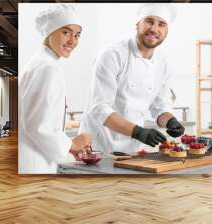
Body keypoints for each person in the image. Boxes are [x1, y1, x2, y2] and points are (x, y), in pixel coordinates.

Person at [79, 3, 184, 155]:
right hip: (98, 147)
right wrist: (139, 132)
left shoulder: (163, 64)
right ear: (137, 24)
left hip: (132, 149)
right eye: (149, 21)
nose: (154, 29)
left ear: (166, 32)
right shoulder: (112, 55)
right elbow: (99, 108)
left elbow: (160, 106)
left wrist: (170, 121)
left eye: (161, 24)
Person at [19, 4, 91, 174]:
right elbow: (37, 125)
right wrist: (72, 143)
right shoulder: (47, 68)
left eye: (77, 35)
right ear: (49, 32)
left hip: (35, 160)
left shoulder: (39, 62)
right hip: (35, 165)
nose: (73, 41)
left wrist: (68, 148)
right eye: (66, 32)